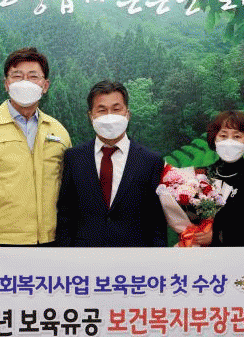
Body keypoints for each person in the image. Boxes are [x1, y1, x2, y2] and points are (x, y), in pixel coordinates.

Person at [0, 47, 71, 247]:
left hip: (50, 240)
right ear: (6, 84)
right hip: (1, 242)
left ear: (45, 85)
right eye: (17, 76)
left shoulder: (59, 132)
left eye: (33, 76)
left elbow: (70, 192)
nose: (25, 82)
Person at [56, 80, 167, 247]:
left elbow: (157, 221)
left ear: (127, 114)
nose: (110, 116)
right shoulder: (74, 158)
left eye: (116, 109)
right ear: (91, 116)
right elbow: (65, 213)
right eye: (102, 110)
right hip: (84, 255)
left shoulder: (150, 161)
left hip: (134, 256)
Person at [191, 110, 244, 247]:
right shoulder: (201, 176)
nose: (229, 142)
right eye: (223, 136)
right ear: (214, 139)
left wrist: (217, 237)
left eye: (237, 136)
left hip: (241, 256)